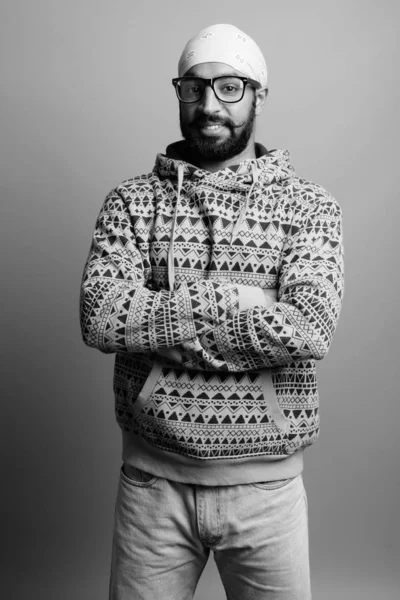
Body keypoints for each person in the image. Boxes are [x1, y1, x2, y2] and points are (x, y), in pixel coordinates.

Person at [80, 23, 344, 600]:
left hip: (268, 495)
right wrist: (233, 302)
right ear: (178, 92)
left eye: (230, 87)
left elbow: (310, 328)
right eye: (193, 88)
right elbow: (102, 316)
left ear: (259, 96)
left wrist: (161, 324)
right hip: (152, 488)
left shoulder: (310, 208)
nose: (208, 105)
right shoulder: (131, 203)